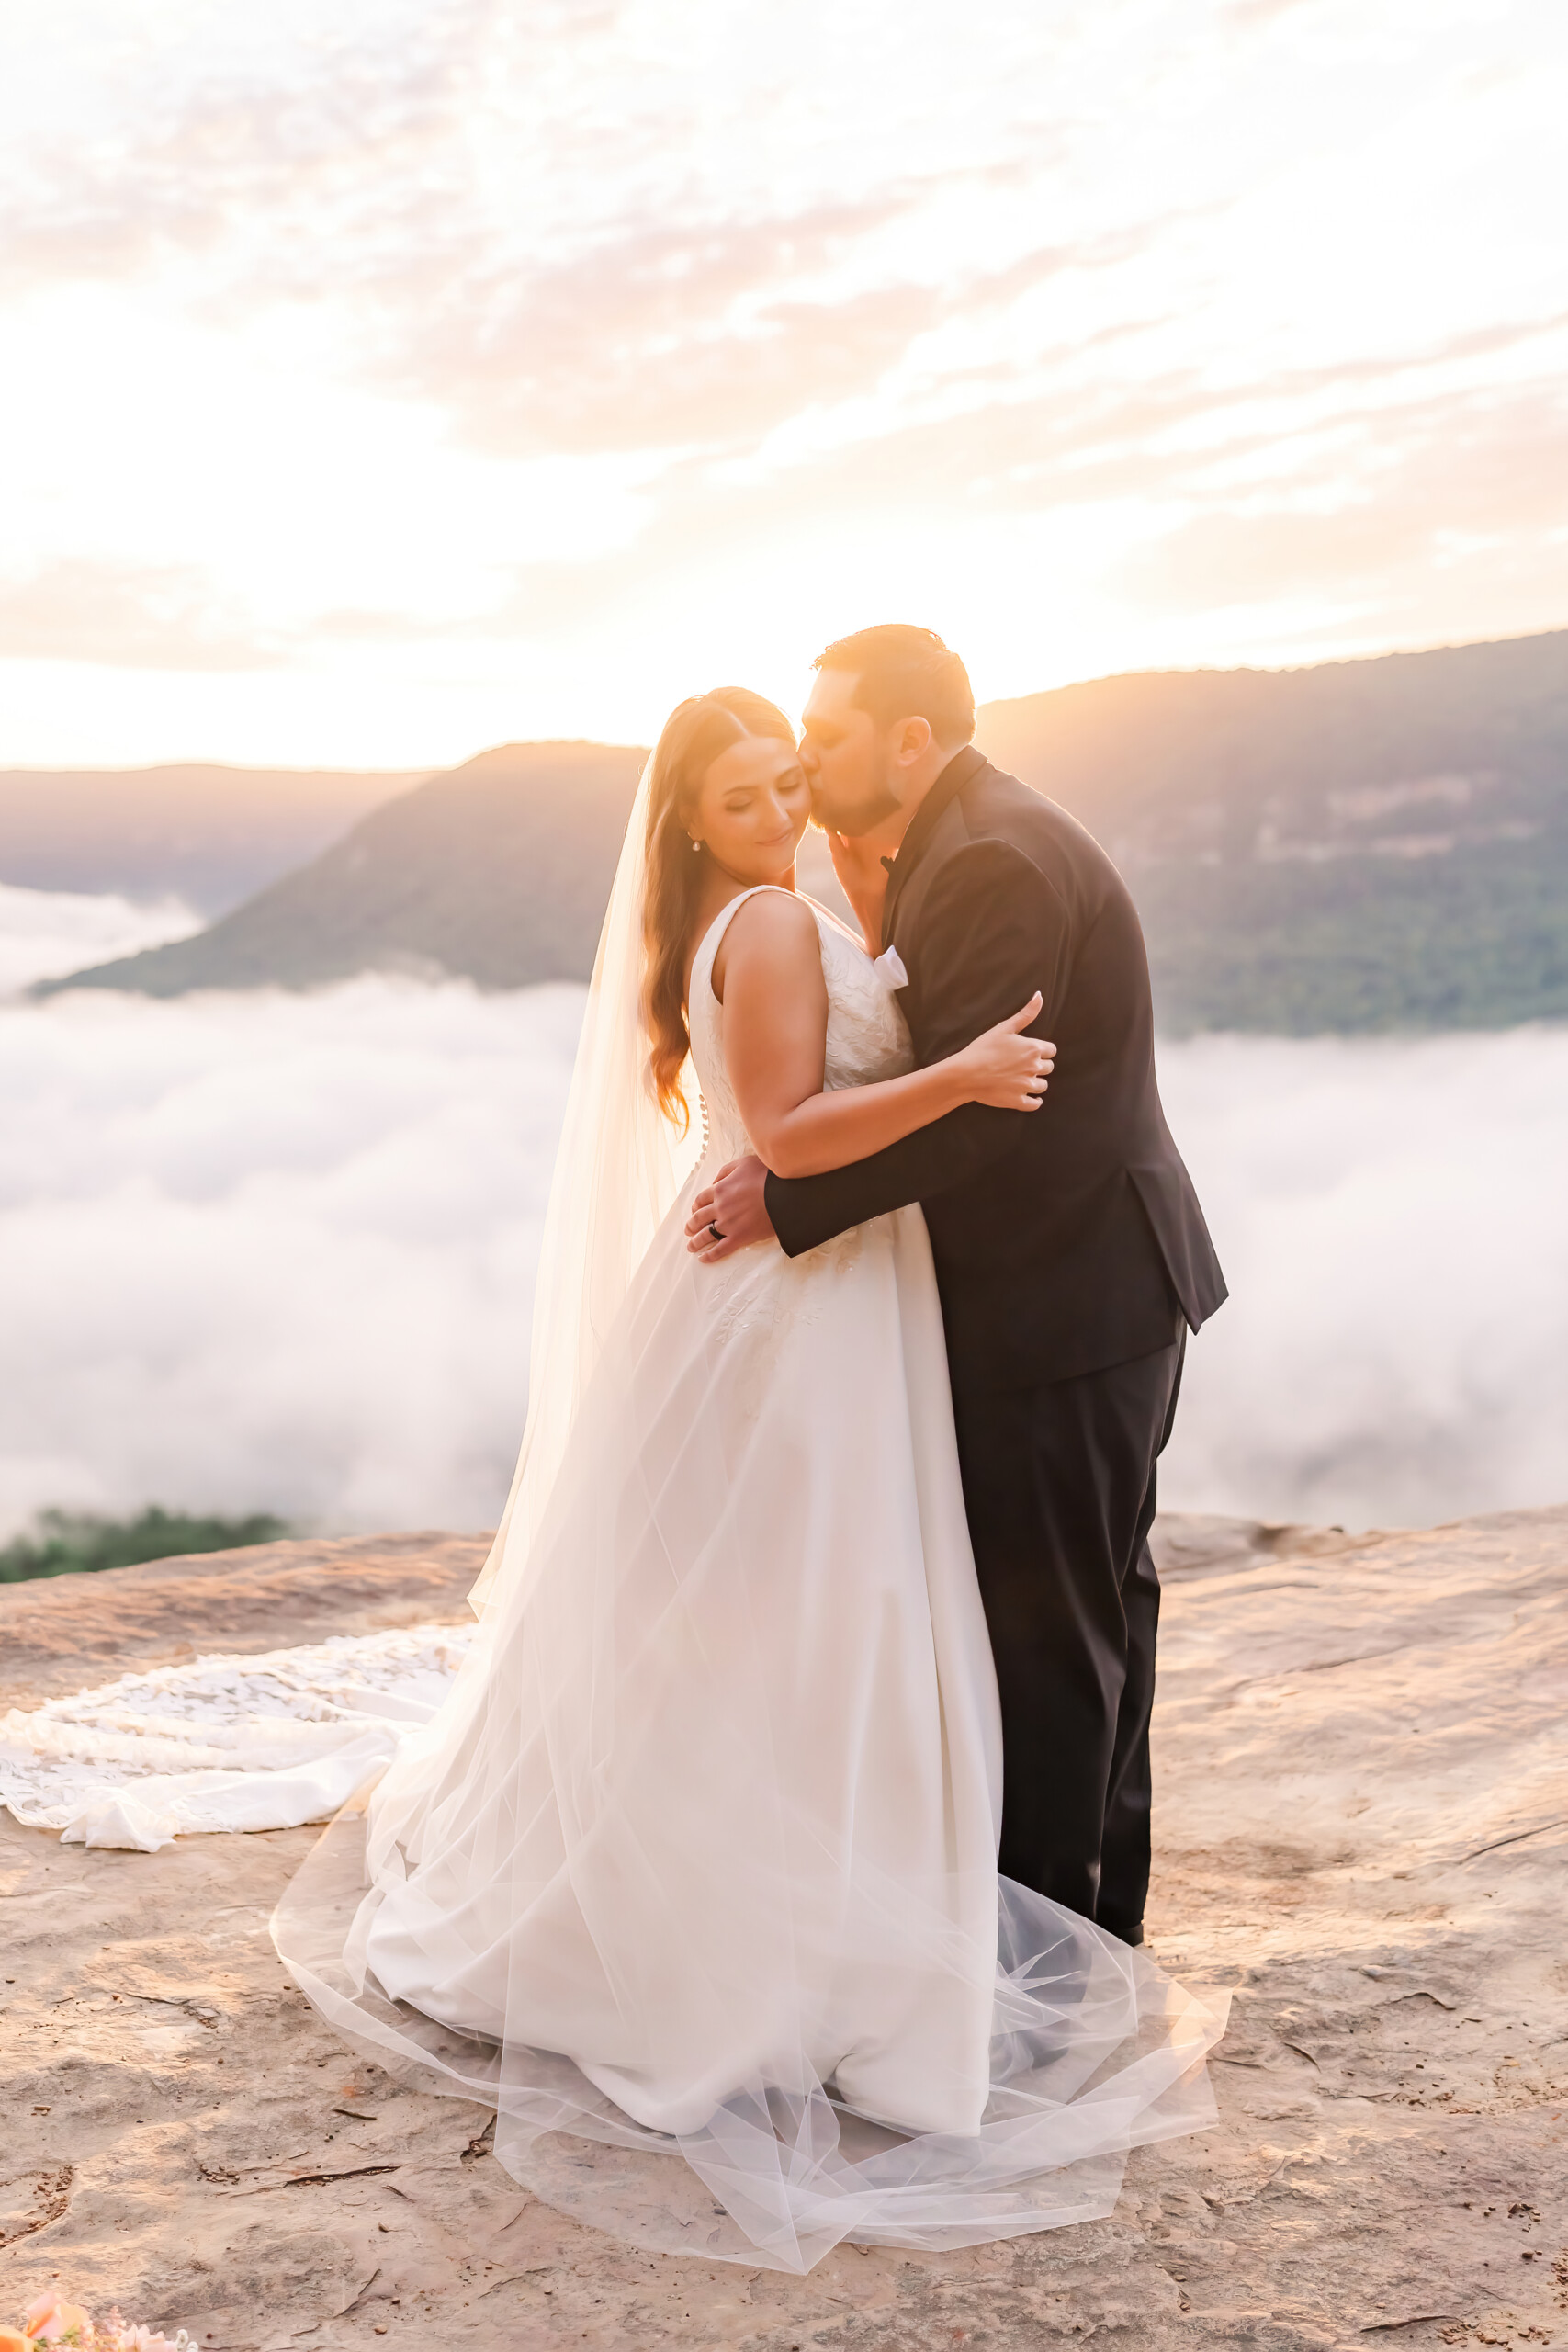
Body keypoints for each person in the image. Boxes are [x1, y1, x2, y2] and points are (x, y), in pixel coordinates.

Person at [273, 682, 1227, 2276]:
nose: (786, 801)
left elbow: (793, 1130)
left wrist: (864, 1137)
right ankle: (945, 1948)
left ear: (886, 746)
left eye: (796, 769)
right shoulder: (786, 923)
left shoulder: (837, 890)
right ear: (694, 823)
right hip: (817, 1307)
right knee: (854, 1614)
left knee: (918, 1613)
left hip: (890, 1298)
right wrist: (957, 1078)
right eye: (749, 793)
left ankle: (1028, 1937)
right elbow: (790, 1136)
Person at [687, 626, 1227, 1947]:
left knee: (1054, 1644)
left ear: (911, 742)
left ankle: (1046, 1983)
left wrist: (787, 1197)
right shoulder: (951, 837)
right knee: (1093, 1619)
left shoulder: (986, 858)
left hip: (1068, 1305)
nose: (809, 766)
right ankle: (1094, 1947)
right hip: (1087, 1294)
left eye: (826, 741)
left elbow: (1000, 1117)